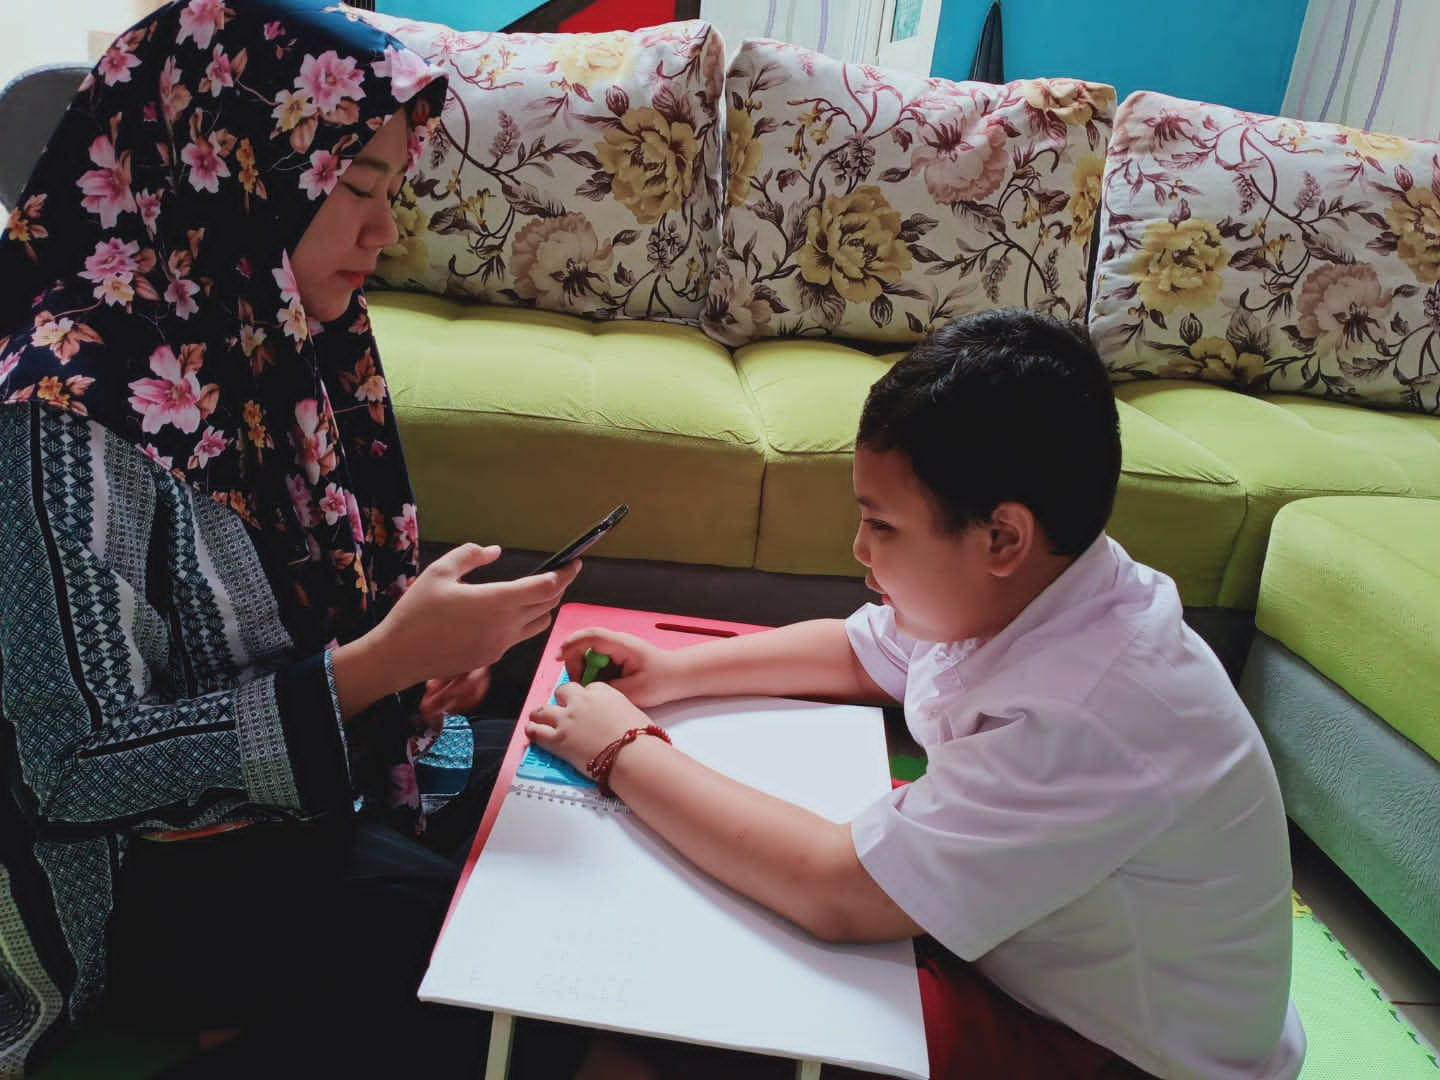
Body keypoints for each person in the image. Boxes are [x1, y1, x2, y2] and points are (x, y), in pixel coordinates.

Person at [0, 2, 578, 1075]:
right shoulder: (62, 409)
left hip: (305, 789)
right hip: (148, 876)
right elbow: (71, 772)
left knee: (561, 795)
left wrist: (421, 665)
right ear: (233, 165)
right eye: (354, 188)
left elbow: (319, 611)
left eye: (391, 192)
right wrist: (374, 668)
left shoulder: (268, 331)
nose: (385, 231)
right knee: (475, 952)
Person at [529, 308, 1308, 1079]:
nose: (859, 549)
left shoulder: (1085, 710)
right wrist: (673, 672)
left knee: (709, 1003)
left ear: (1003, 537)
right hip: (1048, 962)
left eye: (883, 525)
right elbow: (862, 651)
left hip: (1112, 1046)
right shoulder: (1037, 587)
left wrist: (623, 751)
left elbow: (834, 891)